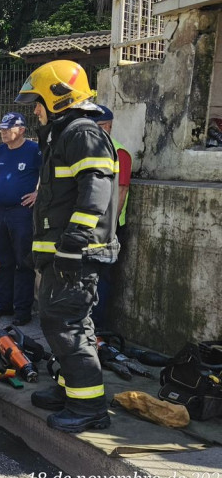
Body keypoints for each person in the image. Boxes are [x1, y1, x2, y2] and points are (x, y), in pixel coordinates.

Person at [15, 60, 120, 433]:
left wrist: (73, 245)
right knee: (68, 323)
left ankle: (90, 407)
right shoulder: (66, 135)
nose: (36, 111)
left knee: (66, 325)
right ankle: (70, 391)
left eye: (38, 102)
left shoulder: (81, 134)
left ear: (59, 97)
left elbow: (95, 192)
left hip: (77, 254)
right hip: (64, 253)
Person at [0, 112, 41, 326]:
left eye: (7, 128)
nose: (3, 132)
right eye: (1, 129)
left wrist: (38, 193)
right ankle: (3, 304)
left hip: (21, 214)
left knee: (23, 262)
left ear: (22, 130)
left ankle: (23, 310)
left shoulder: (34, 151)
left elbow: (51, 174)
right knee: (4, 261)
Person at [91, 105, 130, 329]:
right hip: (91, 224)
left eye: (93, 127)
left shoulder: (119, 152)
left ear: (106, 127)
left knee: (103, 277)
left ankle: (99, 328)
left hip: (109, 226)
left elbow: (121, 191)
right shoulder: (92, 149)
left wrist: (111, 226)